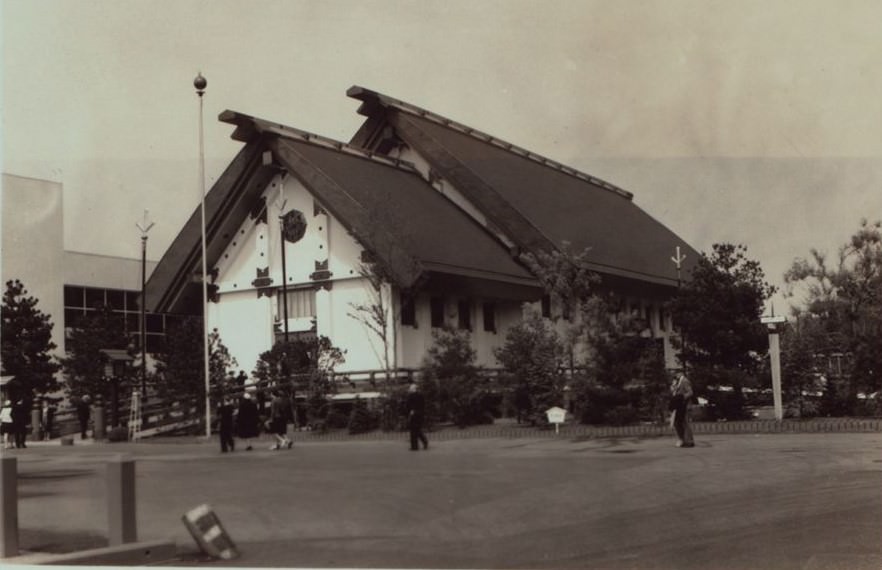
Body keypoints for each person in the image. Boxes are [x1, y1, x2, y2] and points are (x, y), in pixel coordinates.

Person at [670, 372, 695, 448]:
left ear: (680, 373)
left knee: (685, 423)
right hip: (679, 406)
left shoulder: (684, 381)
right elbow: (675, 393)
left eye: (676, 374)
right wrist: (673, 388)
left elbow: (690, 392)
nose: (675, 375)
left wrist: (681, 398)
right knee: (678, 422)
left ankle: (689, 441)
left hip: (684, 406)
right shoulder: (678, 382)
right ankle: (682, 439)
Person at [405, 382, 428, 451]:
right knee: (417, 429)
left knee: (413, 430)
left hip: (413, 414)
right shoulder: (421, 395)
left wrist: (410, 412)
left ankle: (414, 446)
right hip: (420, 415)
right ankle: (424, 442)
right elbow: (423, 405)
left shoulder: (410, 396)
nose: (409, 389)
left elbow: (407, 406)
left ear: (413, 389)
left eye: (410, 388)